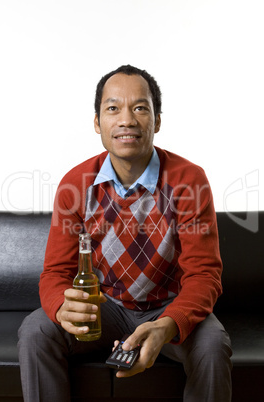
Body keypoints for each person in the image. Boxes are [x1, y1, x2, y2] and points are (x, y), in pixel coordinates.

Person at [18, 64, 232, 401]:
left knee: (212, 344)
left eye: (140, 108)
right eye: (113, 108)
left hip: (169, 308)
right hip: (107, 308)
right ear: (97, 122)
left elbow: (204, 275)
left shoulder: (189, 180)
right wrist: (62, 307)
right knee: (36, 330)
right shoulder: (75, 184)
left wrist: (168, 324)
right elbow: (56, 273)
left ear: (157, 121)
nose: (127, 120)